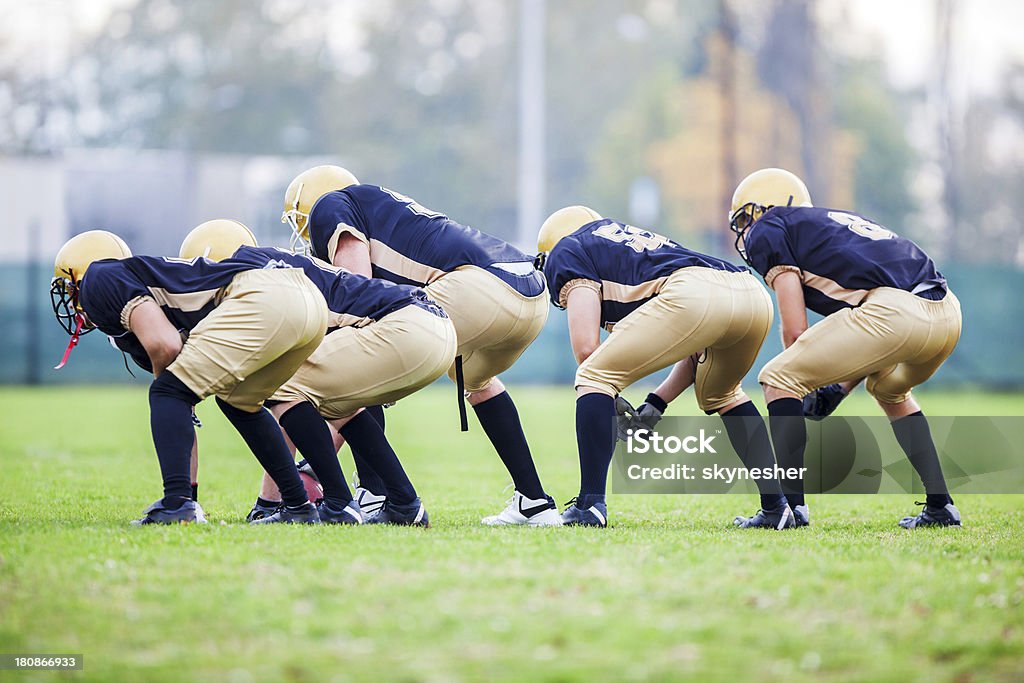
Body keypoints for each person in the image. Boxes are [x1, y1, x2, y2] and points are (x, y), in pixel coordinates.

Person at [281, 165, 561, 526]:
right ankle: (535, 502)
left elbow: (355, 291)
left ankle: (373, 492)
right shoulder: (380, 208)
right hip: (528, 293)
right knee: (475, 381)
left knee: (358, 350)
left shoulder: (332, 206)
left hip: (479, 290)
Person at [179, 220, 457, 526]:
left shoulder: (249, 276)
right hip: (434, 325)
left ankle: (339, 502)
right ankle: (405, 504)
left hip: (401, 325)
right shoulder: (280, 264)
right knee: (337, 403)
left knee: (283, 388)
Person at [728, 167, 963, 528]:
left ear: (767, 208)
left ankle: (789, 509)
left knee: (778, 377)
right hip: (946, 311)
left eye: (747, 217)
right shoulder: (836, 223)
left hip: (894, 313)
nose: (747, 229)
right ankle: (940, 505)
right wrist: (838, 387)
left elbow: (795, 329)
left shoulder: (772, 227)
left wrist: (800, 379)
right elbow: (869, 339)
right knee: (890, 391)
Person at [536, 206, 795, 528]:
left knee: (592, 376)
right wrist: (656, 403)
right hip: (751, 295)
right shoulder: (626, 248)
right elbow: (694, 347)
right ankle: (776, 507)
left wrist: (608, 401)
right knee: (724, 394)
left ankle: (590, 505)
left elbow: (587, 349)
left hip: (695, 293)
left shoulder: (568, 249)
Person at [51, 230, 327, 525]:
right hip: (306, 300)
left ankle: (176, 505)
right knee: (240, 402)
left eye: (69, 290)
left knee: (167, 393)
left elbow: (165, 344)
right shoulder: (141, 287)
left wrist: (169, 390)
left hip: (263, 295)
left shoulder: (99, 278)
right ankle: (298, 507)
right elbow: (180, 406)